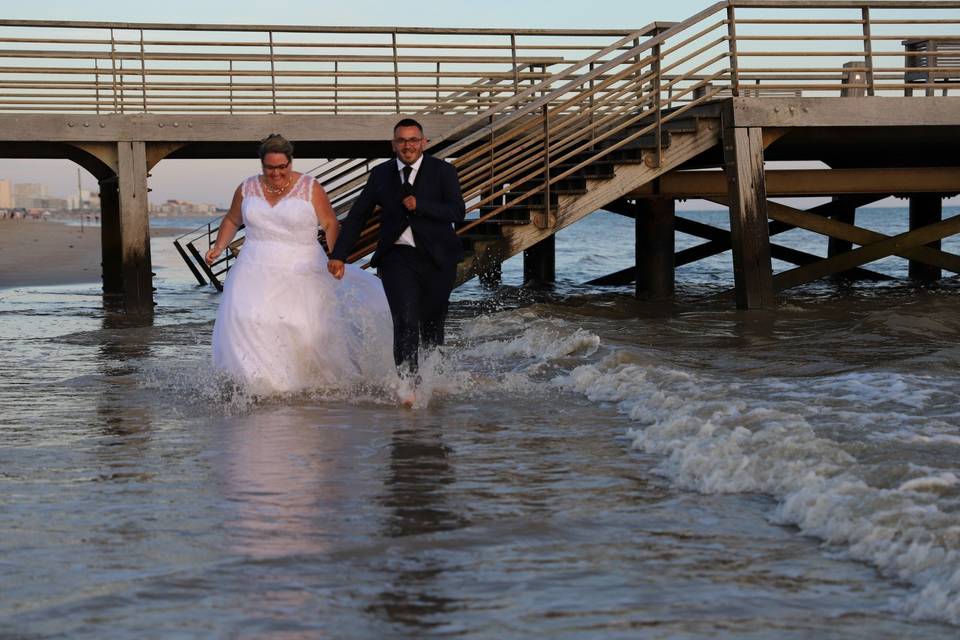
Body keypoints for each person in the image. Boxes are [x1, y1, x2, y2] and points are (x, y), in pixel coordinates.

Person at [205, 134, 393, 395]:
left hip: (301, 267)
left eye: (282, 167)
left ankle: (297, 385)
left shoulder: (310, 187)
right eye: (270, 168)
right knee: (247, 319)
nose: (277, 173)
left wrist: (336, 257)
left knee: (300, 326)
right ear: (262, 165)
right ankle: (257, 385)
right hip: (253, 266)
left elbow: (329, 223)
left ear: (290, 162)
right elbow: (231, 220)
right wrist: (218, 247)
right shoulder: (246, 187)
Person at [327, 118, 466, 383]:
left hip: (438, 259)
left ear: (423, 142)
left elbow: (457, 212)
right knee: (405, 321)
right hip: (396, 258)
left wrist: (420, 204)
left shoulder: (443, 172)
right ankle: (407, 385)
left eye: (413, 140)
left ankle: (434, 382)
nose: (408, 146)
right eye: (402, 140)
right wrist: (338, 255)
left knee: (432, 326)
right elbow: (358, 217)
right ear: (393, 144)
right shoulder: (381, 174)